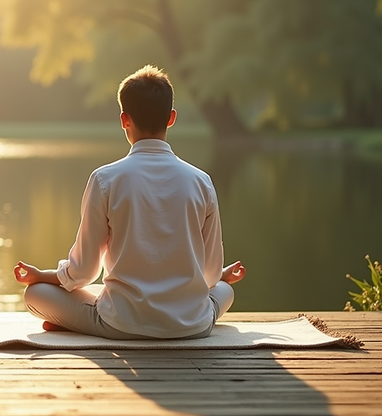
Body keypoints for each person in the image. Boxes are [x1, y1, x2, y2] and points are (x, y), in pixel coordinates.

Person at [13, 64, 245, 340]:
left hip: (122, 325)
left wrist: (43, 275)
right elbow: (208, 277)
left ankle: (73, 320)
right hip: (192, 325)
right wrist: (220, 275)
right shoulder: (201, 181)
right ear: (171, 118)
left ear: (124, 120)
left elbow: (84, 272)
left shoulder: (104, 180)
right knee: (225, 289)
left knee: (36, 294)